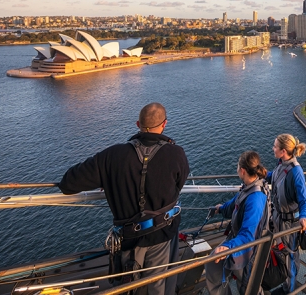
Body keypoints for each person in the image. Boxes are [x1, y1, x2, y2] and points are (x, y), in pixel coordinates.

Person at [58, 102, 190, 295]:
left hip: (128, 239)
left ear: (138, 124)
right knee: (159, 286)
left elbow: (68, 184)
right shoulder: (176, 153)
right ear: (164, 124)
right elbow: (179, 185)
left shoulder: (112, 156)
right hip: (163, 235)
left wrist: (110, 178)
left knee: (130, 287)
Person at [205, 151, 270, 295]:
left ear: (242, 171)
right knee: (214, 266)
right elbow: (234, 204)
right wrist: (220, 209)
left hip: (248, 249)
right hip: (238, 243)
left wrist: (228, 247)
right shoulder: (248, 187)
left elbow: (249, 235)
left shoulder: (256, 198)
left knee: (248, 288)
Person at [267, 134, 306, 294]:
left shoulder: (296, 171)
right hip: (278, 219)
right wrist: (262, 174)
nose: (273, 148)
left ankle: (289, 290)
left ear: (283, 151)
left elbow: (305, 200)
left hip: (289, 224)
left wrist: (305, 217)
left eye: (275, 146)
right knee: (282, 253)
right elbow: (276, 177)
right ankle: (285, 283)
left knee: (291, 257)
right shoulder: (282, 164)